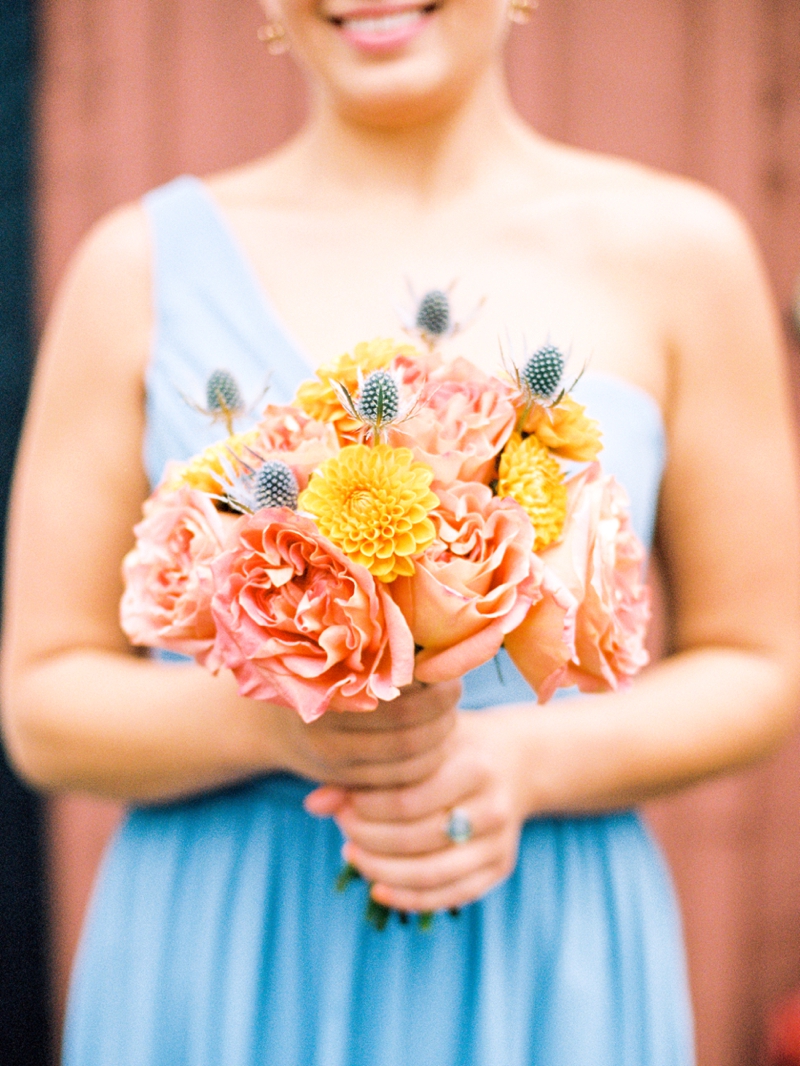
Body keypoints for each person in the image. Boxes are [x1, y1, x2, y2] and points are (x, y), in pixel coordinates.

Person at [3, 1, 799, 1063]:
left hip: (537, 949)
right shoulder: (130, 268)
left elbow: (762, 660)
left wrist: (517, 764)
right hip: (227, 946)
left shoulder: (680, 254)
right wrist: (283, 722)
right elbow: (43, 700)